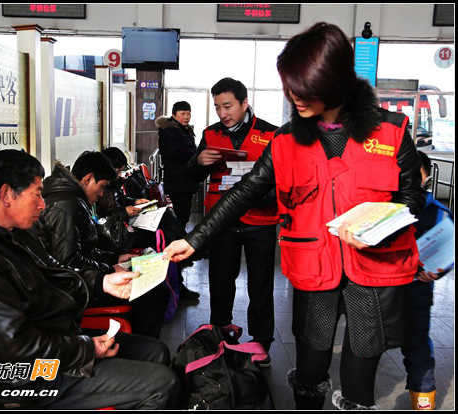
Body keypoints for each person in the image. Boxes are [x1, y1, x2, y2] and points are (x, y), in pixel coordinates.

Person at [165, 23, 425, 410]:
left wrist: (380, 226)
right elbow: (245, 191)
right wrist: (194, 239)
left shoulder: (391, 131)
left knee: (360, 378)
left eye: (302, 87)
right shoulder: (286, 141)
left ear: (333, 79)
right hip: (314, 267)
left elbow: (411, 197)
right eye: (289, 86)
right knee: (310, 371)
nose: (293, 96)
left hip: (374, 269)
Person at [0, 149, 180, 410]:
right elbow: (16, 347)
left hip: (56, 340)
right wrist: (86, 349)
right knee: (164, 384)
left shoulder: (13, 231)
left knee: (157, 352)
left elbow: (57, 271)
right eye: (37, 194)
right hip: (29, 378)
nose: (42, 204)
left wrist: (102, 282)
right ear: (7, 194)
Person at [185, 77, 279, 365]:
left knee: (260, 284)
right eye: (217, 107)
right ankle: (220, 332)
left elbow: (282, 180)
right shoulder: (210, 134)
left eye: (228, 106)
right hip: (221, 220)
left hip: (260, 220)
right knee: (220, 280)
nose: (222, 113)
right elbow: (192, 176)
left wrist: (261, 196)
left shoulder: (271, 134)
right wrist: (198, 162)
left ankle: (261, 341)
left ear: (244, 103)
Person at [33, 151, 169, 338]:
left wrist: (115, 258)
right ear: (88, 179)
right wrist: (109, 269)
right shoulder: (66, 205)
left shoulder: (71, 199)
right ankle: (141, 345)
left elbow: (83, 251)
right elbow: (69, 262)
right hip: (73, 290)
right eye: (102, 187)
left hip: (82, 279)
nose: (102, 194)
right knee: (153, 292)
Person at [99, 147, 200, 300]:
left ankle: (189, 246)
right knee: (168, 236)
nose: (119, 175)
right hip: (121, 234)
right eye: (117, 171)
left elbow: (121, 201)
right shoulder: (100, 188)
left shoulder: (112, 184)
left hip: (127, 225)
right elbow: (103, 220)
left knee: (166, 215)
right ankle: (181, 273)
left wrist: (135, 202)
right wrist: (124, 212)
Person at [401, 150, 454, 411]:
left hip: (418, 289)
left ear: (426, 178)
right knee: (369, 346)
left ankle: (423, 400)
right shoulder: (386, 207)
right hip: (383, 286)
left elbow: (449, 249)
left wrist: (439, 271)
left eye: (417, 175)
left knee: (417, 344)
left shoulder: (437, 212)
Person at [156, 101, 201, 228]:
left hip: (186, 179)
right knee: (182, 214)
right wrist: (197, 156)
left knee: (185, 214)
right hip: (177, 180)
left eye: (188, 114)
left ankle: (180, 235)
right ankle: (178, 237)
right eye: (182, 114)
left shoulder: (184, 129)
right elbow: (174, 153)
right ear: (174, 115)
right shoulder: (169, 131)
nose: (186, 117)